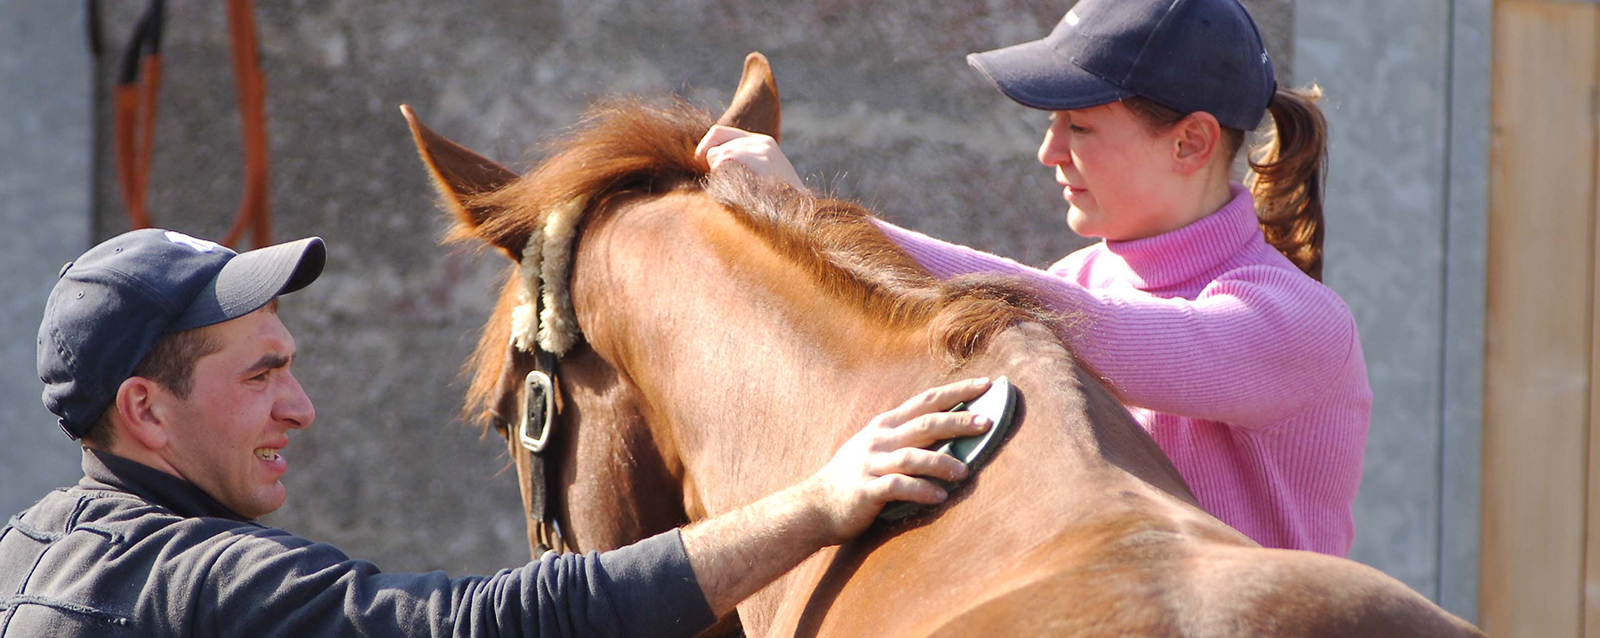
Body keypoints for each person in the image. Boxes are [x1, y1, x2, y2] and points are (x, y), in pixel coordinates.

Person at [1, 228, 993, 637]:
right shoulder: (206, 582)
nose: (299, 407)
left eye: (290, 366)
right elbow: (488, 622)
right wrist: (818, 502)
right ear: (144, 409)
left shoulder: (23, 551)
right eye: (262, 375)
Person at [696, 0, 1371, 556]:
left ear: (1189, 143)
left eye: (1079, 125)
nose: (1049, 152)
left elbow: (1109, 333)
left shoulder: (1300, 323)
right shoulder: (1075, 277)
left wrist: (817, 223)